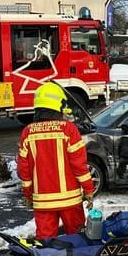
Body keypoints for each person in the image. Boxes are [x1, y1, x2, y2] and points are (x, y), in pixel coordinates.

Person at [17, 82, 94, 240]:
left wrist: (28, 194)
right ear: (59, 106)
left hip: (42, 202)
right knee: (77, 239)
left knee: (45, 243)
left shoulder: (28, 132)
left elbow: (24, 170)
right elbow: (79, 165)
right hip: (70, 200)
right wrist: (88, 190)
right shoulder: (68, 130)